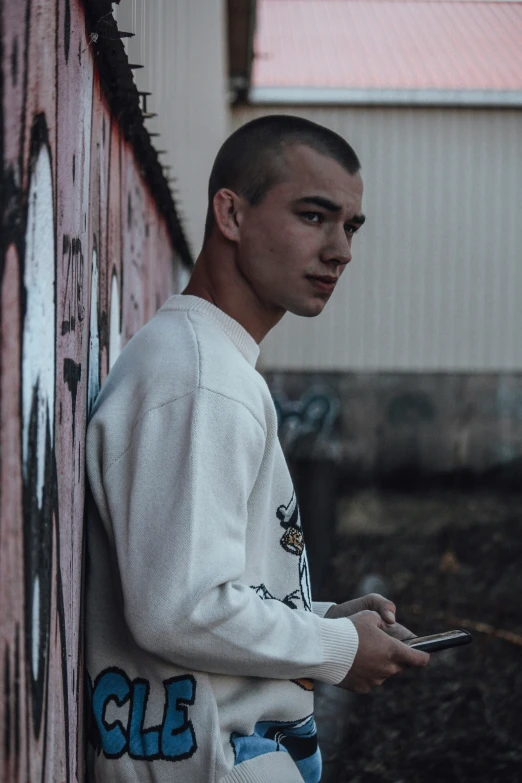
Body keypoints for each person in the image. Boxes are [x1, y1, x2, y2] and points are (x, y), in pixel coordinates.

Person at [85, 115, 429, 783]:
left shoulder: (208, 364)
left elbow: (202, 590)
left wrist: (325, 619)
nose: (341, 250)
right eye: (314, 215)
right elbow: (177, 608)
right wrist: (332, 647)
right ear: (232, 214)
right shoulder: (199, 379)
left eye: (351, 226)